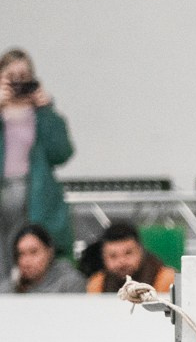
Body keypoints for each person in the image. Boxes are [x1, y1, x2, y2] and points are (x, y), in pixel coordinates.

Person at [0, 49, 75, 288]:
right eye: (12, 76)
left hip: (36, 193)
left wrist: (47, 111)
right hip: (4, 192)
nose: (19, 81)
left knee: (32, 249)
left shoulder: (42, 115)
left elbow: (61, 153)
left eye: (25, 75)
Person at [84, 219, 176, 295]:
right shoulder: (97, 284)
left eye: (128, 253)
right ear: (103, 257)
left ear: (141, 251)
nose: (121, 261)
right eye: (113, 256)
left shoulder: (167, 280)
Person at [8, 223, 86, 293]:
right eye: (21, 254)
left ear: (50, 252)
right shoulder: (11, 288)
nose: (26, 261)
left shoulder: (71, 283)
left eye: (33, 252)